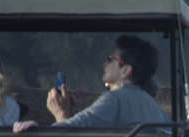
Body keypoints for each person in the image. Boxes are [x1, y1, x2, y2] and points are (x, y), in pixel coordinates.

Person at [13, 35, 168, 132]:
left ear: (125, 70)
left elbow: (73, 130)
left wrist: (37, 129)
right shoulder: (155, 109)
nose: (104, 64)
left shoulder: (115, 100)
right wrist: (64, 115)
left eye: (110, 59)